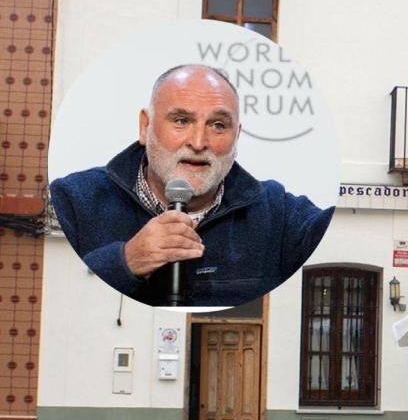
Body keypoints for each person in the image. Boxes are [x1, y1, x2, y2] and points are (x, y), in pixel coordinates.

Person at [50, 64, 332, 307]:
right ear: (144, 127)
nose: (198, 143)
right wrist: (124, 262)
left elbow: (332, 236)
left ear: (237, 136)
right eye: (181, 121)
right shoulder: (75, 201)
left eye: (218, 126)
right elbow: (56, 303)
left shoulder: (278, 214)